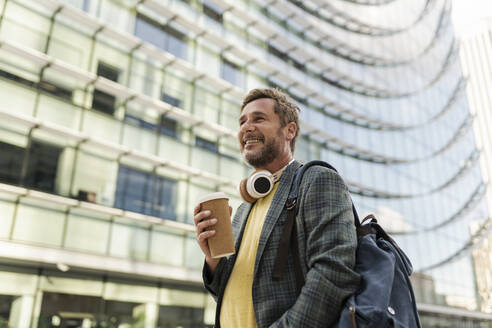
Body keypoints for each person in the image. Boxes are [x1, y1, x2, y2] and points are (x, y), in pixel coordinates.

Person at [194, 88, 360, 327]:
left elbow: (334, 273)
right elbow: (228, 294)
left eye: (258, 119)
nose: (246, 127)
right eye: (242, 121)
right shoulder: (243, 210)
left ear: (289, 130)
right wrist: (213, 260)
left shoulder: (316, 180)